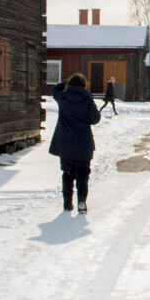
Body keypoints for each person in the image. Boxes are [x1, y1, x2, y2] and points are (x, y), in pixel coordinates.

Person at [49, 73, 101, 215]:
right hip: (83, 143)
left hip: (65, 143)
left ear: (70, 85)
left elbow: (54, 90)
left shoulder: (63, 97)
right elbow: (95, 119)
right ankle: (82, 201)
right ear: (84, 85)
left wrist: (65, 82)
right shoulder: (87, 99)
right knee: (83, 174)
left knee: (67, 173)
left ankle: (67, 202)